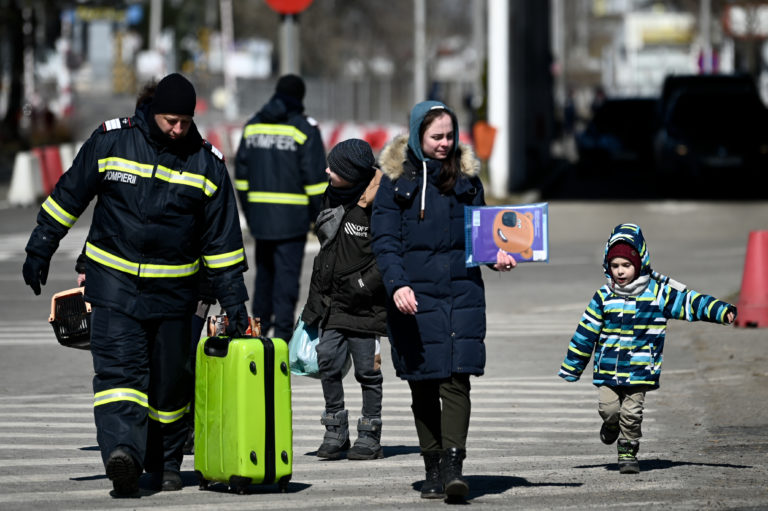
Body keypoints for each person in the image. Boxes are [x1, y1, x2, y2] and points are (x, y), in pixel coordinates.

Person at [22, 73, 250, 497]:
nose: (177, 130)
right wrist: (41, 245)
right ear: (152, 111)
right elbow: (70, 193)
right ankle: (122, 454)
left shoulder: (207, 164)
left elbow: (222, 244)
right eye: (169, 121)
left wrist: (235, 304)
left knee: (169, 385)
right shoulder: (113, 141)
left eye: (185, 122)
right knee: (119, 375)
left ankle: (165, 463)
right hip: (114, 287)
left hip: (175, 297)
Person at [370, 100, 516, 500]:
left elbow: (481, 236)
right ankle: (431, 466)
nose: (445, 144)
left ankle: (453, 467)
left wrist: (495, 256)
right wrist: (398, 284)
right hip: (413, 298)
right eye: (437, 136)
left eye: (450, 136)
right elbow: (384, 241)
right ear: (418, 136)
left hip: (461, 292)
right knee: (423, 382)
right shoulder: (394, 181)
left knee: (457, 378)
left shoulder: (467, 179)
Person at [558, 223, 737, 474]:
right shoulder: (603, 297)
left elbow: (690, 302)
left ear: (639, 263)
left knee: (632, 413)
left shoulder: (658, 294)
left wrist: (721, 311)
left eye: (626, 265)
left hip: (641, 369)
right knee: (608, 409)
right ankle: (610, 426)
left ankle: (628, 450)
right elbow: (585, 333)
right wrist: (572, 367)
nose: (620, 271)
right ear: (607, 266)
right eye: (615, 266)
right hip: (608, 370)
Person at [300, 139, 387, 461]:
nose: (327, 170)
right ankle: (335, 430)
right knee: (327, 363)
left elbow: (388, 252)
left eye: (334, 168)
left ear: (351, 173)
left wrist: (365, 284)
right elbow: (326, 253)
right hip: (331, 301)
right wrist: (313, 303)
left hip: (366, 304)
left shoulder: (378, 201)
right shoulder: (329, 194)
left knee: (367, 371)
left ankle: (370, 435)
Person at [234, 74, 327, 340]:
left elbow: (241, 178)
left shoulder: (252, 126)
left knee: (263, 283)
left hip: (261, 221)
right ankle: (282, 342)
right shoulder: (303, 128)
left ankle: (256, 340)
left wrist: (251, 215)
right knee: (286, 287)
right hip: (293, 223)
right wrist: (317, 220)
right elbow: (316, 183)